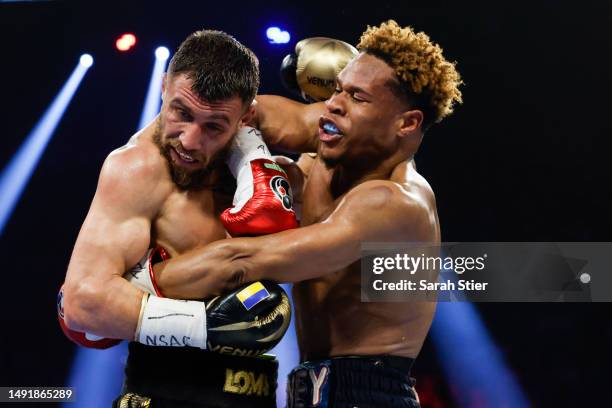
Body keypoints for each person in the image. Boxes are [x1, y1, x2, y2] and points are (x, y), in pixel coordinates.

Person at [147, 20, 463, 407]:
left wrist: (129, 292)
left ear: (407, 122)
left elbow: (244, 261)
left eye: (358, 98)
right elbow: (248, 113)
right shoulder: (332, 152)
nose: (333, 104)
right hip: (311, 387)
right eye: (338, 89)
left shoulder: (395, 202)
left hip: (370, 394)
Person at [59, 29, 298, 408]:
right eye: (181, 113)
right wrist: (207, 326)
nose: (189, 139)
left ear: (246, 116)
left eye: (213, 127)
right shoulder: (136, 169)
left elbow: (337, 128)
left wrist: (253, 155)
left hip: (257, 394)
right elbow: (81, 303)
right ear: (163, 85)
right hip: (163, 393)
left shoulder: (270, 176)